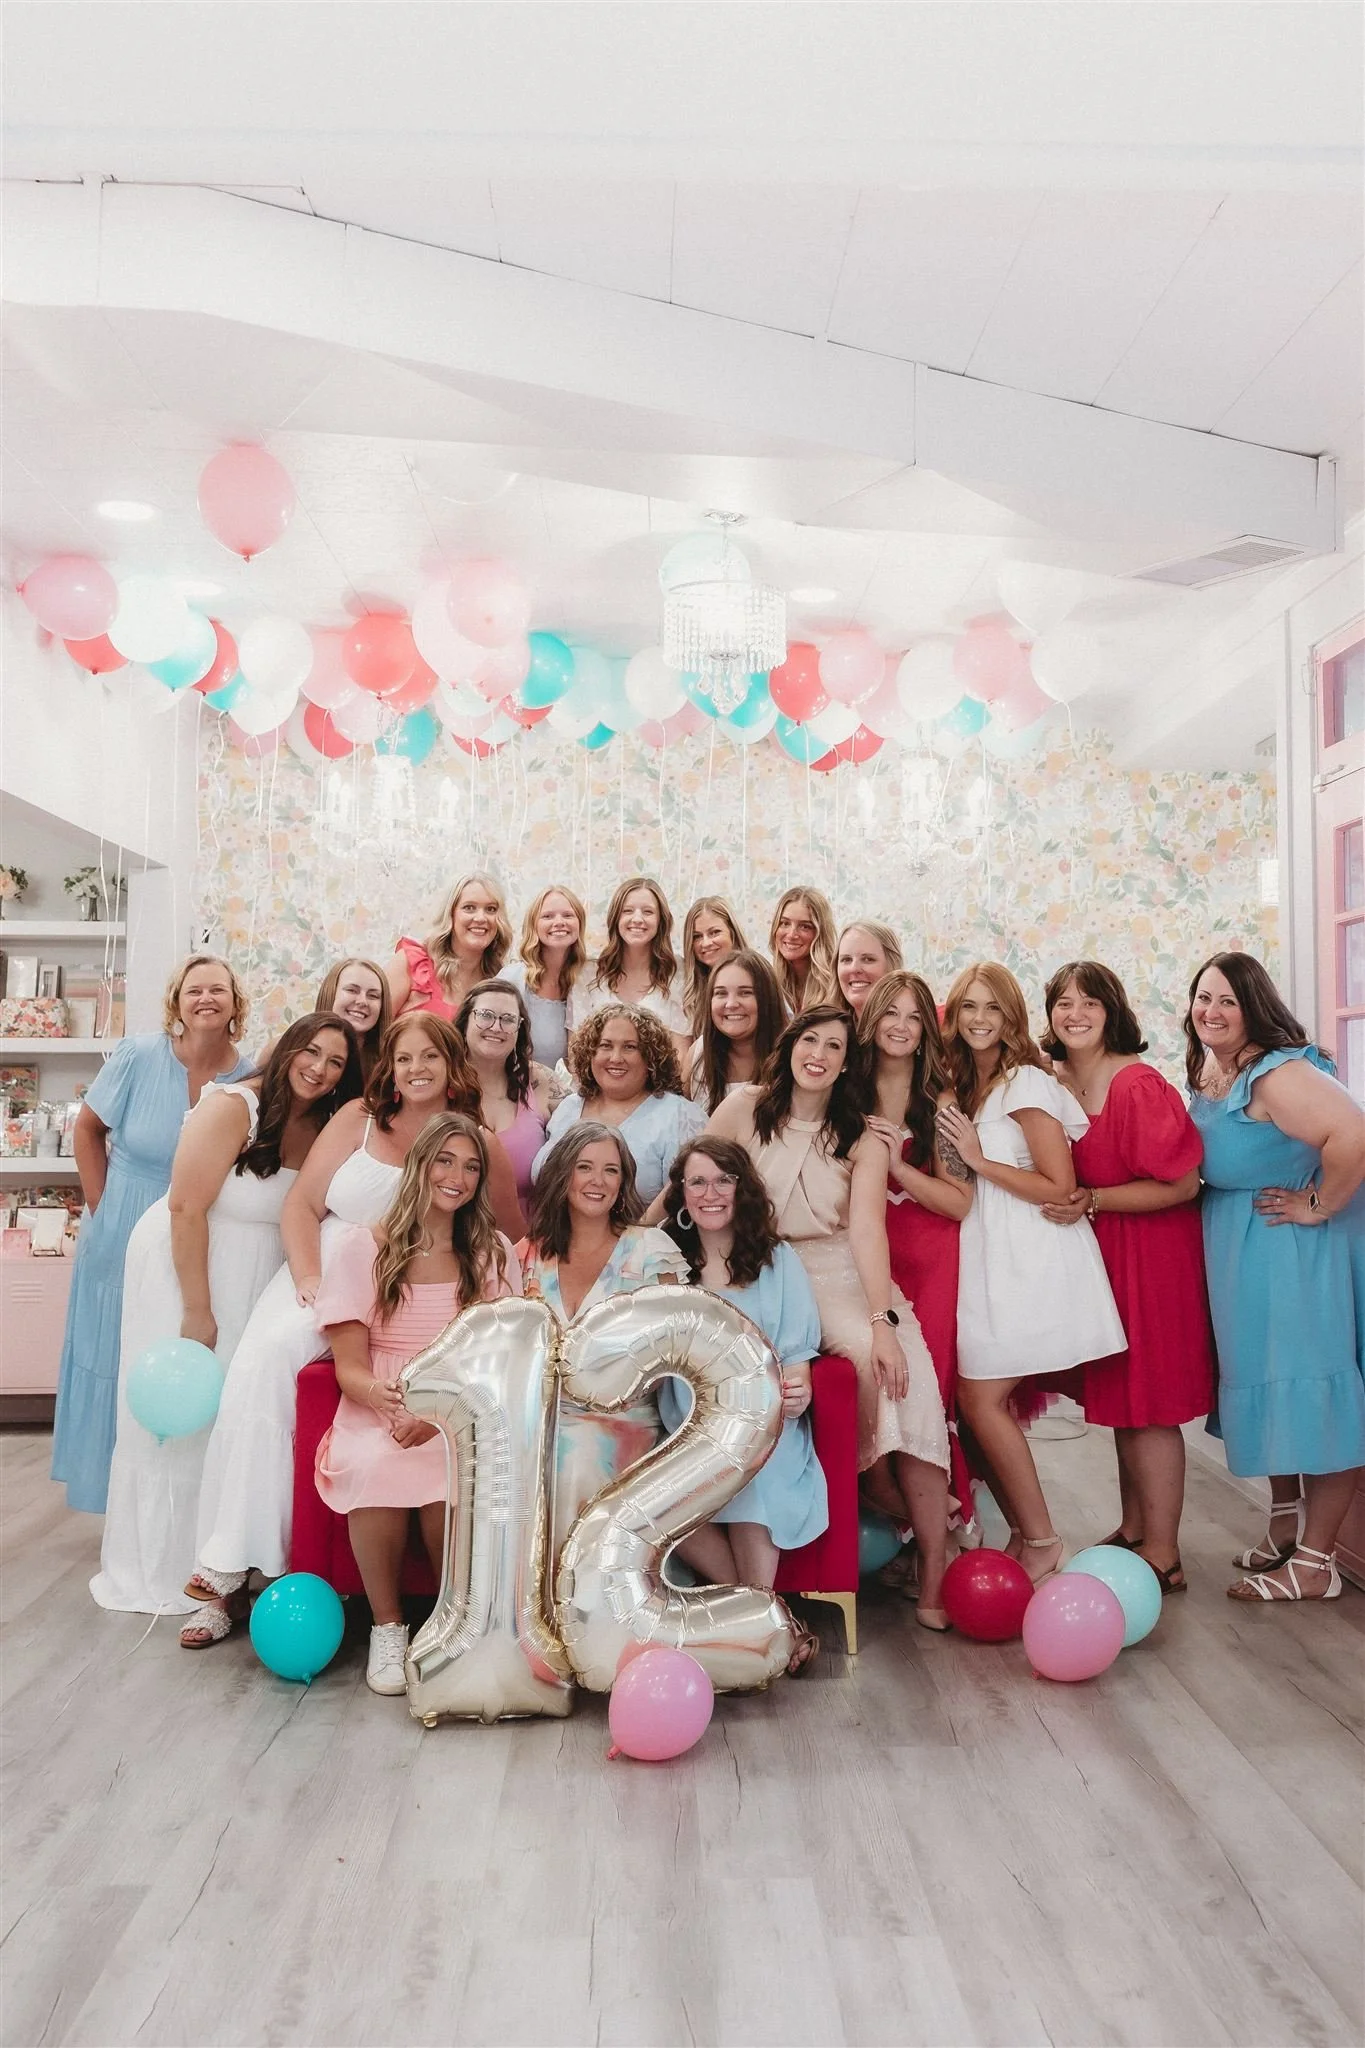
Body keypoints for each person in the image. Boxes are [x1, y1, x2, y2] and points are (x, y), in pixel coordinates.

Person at [183, 1014, 518, 1645]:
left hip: (406, 1295)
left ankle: (448, 1623)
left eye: (430, 1057)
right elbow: (302, 1204)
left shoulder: (473, 1141)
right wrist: (309, 1277)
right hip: (329, 1264)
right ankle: (227, 1563)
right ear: (389, 1066)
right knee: (263, 1364)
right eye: (404, 1057)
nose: (416, 1069)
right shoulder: (357, 1118)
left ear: (453, 1066)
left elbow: (505, 1234)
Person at [91, 1014, 363, 1615]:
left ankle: (224, 1564)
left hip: (260, 1274)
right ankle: (163, 1566)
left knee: (233, 1412)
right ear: (287, 1048)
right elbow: (185, 1207)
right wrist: (197, 1309)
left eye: (335, 1062)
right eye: (310, 1052)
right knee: (184, 1417)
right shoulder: (233, 1106)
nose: (318, 1069)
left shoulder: (326, 1124)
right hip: (192, 1264)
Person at [703, 1005, 953, 1627]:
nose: (818, 1054)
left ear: (847, 1064)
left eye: (834, 1046)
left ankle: (934, 1562)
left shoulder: (860, 1137)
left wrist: (882, 1322)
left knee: (902, 1376)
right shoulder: (743, 1108)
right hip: (757, 1267)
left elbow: (867, 1230)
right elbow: (694, 1177)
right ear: (789, 1046)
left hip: (838, 1272)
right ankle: (891, 1504)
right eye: (809, 1040)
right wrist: (638, 1235)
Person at [315, 1113, 522, 1693]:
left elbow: (496, 1359)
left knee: (450, 1474)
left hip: (462, 1404)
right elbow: (350, 1367)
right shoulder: (364, 1246)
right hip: (379, 1400)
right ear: (419, 1165)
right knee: (374, 1464)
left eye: (472, 1167)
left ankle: (453, 1627)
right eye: (445, 1161)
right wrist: (385, 1401)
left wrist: (439, 1416)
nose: (457, 1177)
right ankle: (387, 1628)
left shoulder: (491, 1253)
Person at [937, 964, 1125, 1583]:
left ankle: (1043, 1538)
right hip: (992, 1251)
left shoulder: (1025, 1082)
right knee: (975, 1400)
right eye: (969, 1007)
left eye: (993, 1007)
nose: (980, 1019)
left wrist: (977, 1160)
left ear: (1012, 1016)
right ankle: (1025, 1532)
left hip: (1030, 1254)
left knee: (981, 1398)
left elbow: (1059, 1184)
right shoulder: (970, 1083)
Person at [1186, 953, 1365, 1602]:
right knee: (1273, 1386)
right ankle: (1285, 1523)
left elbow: (1353, 1132)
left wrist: (1316, 1205)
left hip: (1293, 1252)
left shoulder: (1274, 1073)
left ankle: (1316, 1564)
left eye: (1227, 1001)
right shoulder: (1214, 1068)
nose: (1210, 1011)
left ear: (1253, 1007)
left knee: (1313, 1391)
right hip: (1247, 1255)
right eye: (1203, 997)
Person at [51, 955, 253, 1515]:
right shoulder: (138, 1055)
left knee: (166, 1355)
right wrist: (103, 1206)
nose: (206, 998)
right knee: (111, 1358)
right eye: (195, 990)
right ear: (177, 1002)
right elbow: (88, 1130)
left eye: (218, 990)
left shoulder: (247, 1076)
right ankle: (107, 1499)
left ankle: (167, 1506)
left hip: (193, 1237)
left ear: (235, 1004)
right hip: (118, 1229)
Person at [1043, 961, 1213, 1592]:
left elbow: (1183, 1184)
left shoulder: (1137, 1085)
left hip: (1153, 1255)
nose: (1076, 1014)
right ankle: (1135, 1527)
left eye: (1090, 1002)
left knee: (1153, 1405)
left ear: (1111, 1012)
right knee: (1124, 1399)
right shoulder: (1058, 1080)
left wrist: (1095, 1200)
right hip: (1106, 1256)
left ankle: (1164, 1551)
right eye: (1064, 1003)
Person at [657, 1137, 828, 1671]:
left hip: (764, 1423)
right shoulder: (664, 1261)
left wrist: (799, 1389)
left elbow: (797, 1357)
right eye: (697, 1182)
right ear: (681, 1194)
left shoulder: (778, 1260)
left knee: (752, 1473)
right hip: (686, 1427)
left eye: (723, 1180)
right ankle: (774, 1622)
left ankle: (762, 1632)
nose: (710, 1193)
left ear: (742, 1188)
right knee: (658, 1503)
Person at [520, 1122, 690, 1546]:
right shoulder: (528, 1253)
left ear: (623, 1182)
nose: (598, 1180)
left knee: (577, 1458)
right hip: (541, 1414)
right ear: (563, 1175)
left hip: (621, 1415)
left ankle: (578, 1583)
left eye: (611, 1170)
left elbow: (677, 1348)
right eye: (584, 1167)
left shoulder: (650, 1249)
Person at [858, 971, 977, 1540]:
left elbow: (960, 1202)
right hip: (863, 1254)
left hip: (928, 1260)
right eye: (890, 1012)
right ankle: (892, 1520)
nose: (901, 1027)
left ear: (927, 1028)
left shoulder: (940, 1102)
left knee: (923, 1386)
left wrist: (898, 1167)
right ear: (871, 1018)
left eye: (913, 1016)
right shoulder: (846, 1090)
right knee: (872, 1382)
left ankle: (940, 1530)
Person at [533, 1005, 705, 1204]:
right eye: (605, 1046)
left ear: (651, 1057)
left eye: (630, 1047)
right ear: (589, 1053)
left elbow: (688, 1194)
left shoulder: (680, 1116)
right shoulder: (569, 1107)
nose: (616, 1058)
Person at [454, 978, 551, 1211]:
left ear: (519, 1030)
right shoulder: (441, 1084)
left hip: (526, 1229)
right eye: (485, 1015)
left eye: (508, 1019)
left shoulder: (535, 1081)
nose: (496, 1027)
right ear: (465, 1022)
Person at [567, 876, 689, 1057]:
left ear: (660, 921)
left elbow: (681, 1055)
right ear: (616, 918)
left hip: (660, 1076)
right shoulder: (588, 973)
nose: (637, 919)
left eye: (648, 912)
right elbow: (576, 1052)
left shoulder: (678, 972)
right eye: (628, 911)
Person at [387, 873, 511, 1019]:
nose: (480, 918)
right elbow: (375, 1026)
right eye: (469, 908)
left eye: (491, 909)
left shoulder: (500, 982)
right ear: (451, 914)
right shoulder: (412, 963)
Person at [684, 948, 786, 1112]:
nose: (731, 1004)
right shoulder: (698, 1054)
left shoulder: (792, 1055)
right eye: (721, 993)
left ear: (768, 998)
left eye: (745, 993)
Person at [502, 884, 588, 1068]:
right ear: (534, 925)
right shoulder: (512, 979)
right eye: (548, 916)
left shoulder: (587, 982)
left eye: (567, 915)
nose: (559, 922)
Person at [681, 896, 747, 1039]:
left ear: (732, 933)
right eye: (697, 936)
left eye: (714, 932)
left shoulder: (758, 976)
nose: (706, 943)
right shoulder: (688, 990)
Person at [315, 958, 391, 1078]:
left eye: (373, 995)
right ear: (330, 993)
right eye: (352, 990)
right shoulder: (296, 1049)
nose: (362, 1001)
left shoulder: (390, 1066)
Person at [768, 887, 837, 1014]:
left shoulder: (836, 985)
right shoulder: (768, 982)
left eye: (805, 926)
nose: (791, 935)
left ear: (821, 933)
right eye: (785, 923)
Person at [836, 921, 904, 1020]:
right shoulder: (824, 1025)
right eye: (847, 959)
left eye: (868, 959)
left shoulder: (922, 1023)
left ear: (892, 966)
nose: (854, 968)